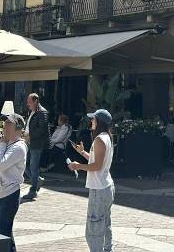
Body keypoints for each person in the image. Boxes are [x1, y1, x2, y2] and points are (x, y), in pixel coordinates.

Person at [68, 108, 115, 252]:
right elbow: (97, 161)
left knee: (93, 230)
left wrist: (77, 166)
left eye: (93, 119)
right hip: (106, 187)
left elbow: (97, 166)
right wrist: (82, 152)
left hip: (99, 190)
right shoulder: (106, 137)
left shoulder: (100, 139)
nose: (91, 121)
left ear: (99, 122)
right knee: (105, 224)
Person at [0, 113, 28, 252]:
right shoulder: (8, 144)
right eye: (5, 123)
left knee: (2, 234)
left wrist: (2, 144)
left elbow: (0, 165)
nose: (4, 126)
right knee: (4, 234)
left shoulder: (18, 147)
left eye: (8, 123)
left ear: (17, 128)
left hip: (8, 196)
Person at [23, 92, 49, 201]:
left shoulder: (42, 112)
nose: (28, 104)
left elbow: (42, 129)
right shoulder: (33, 111)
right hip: (29, 142)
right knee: (23, 164)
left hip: (36, 144)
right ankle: (37, 180)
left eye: (29, 102)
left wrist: (30, 136)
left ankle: (33, 191)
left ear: (35, 101)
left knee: (33, 166)